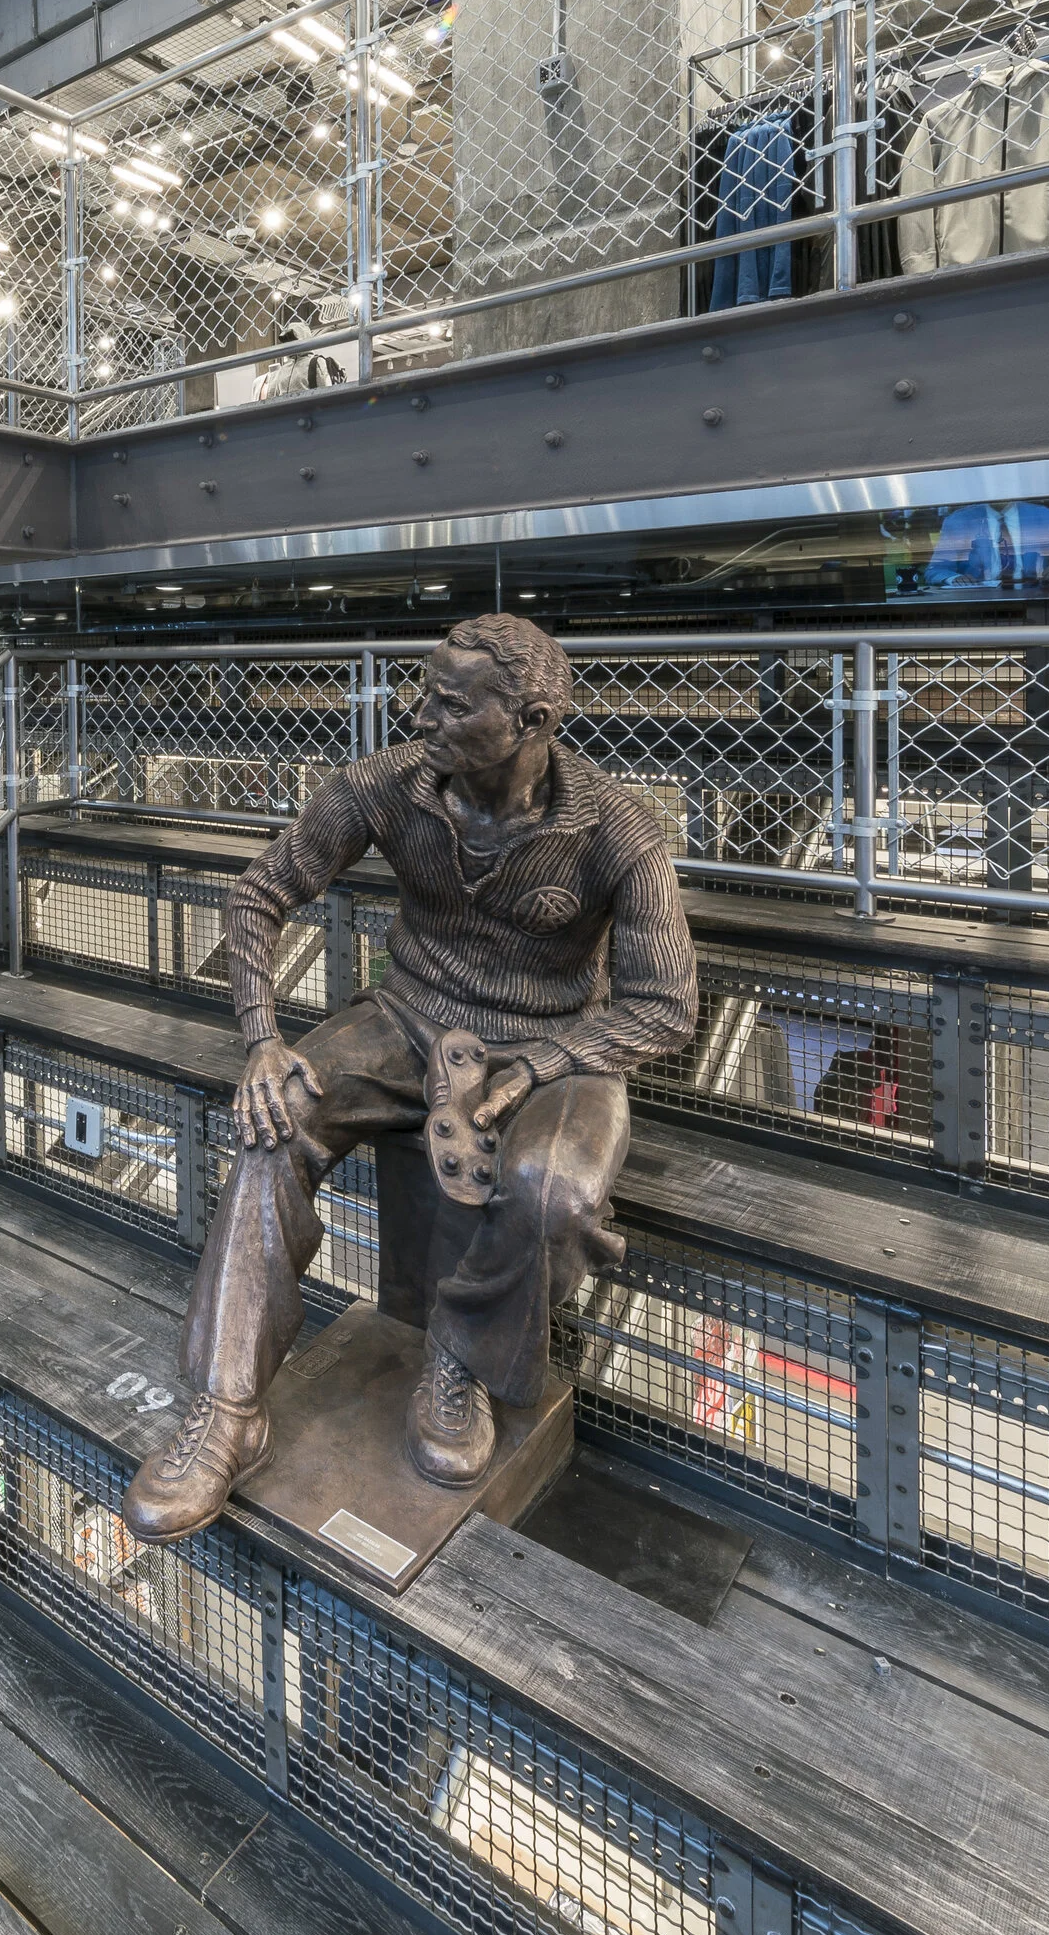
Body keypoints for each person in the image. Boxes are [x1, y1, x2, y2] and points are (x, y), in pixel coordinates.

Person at [125, 613, 699, 1542]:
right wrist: (264, 1039)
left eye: (450, 704)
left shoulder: (616, 830)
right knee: (279, 1121)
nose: (419, 717)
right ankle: (227, 1411)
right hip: (406, 1016)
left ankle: (459, 1357)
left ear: (533, 720)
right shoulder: (384, 786)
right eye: (421, 694)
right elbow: (259, 892)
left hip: (554, 1046)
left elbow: (666, 1006)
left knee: (553, 1193)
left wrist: (541, 1065)